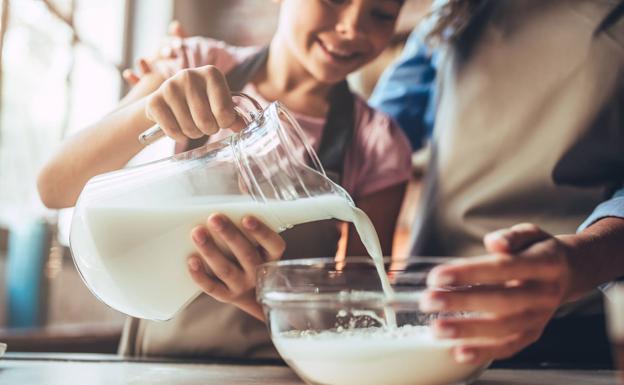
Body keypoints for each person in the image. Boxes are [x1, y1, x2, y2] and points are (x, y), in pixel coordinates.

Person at [37, 0, 411, 358]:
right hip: (157, 357)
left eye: (381, 14)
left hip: (274, 367)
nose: (352, 28)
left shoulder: (377, 141)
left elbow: (362, 316)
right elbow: (54, 187)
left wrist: (255, 296)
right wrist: (150, 109)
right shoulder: (196, 65)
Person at [371, 0, 624, 367]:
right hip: (426, 317)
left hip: (571, 321)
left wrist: (580, 260)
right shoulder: (455, 7)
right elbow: (377, 134)